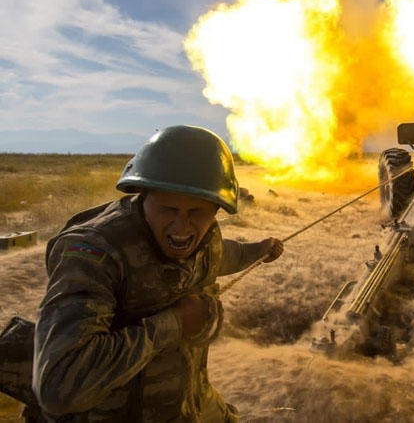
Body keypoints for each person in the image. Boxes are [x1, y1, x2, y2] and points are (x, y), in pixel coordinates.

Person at [32, 125, 283, 422]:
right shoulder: (95, 255)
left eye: (196, 213)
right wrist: (172, 324)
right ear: (142, 196)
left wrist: (258, 250)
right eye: (168, 210)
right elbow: (59, 389)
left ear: (216, 210)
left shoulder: (205, 238)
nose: (181, 228)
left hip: (187, 404)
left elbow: (219, 255)